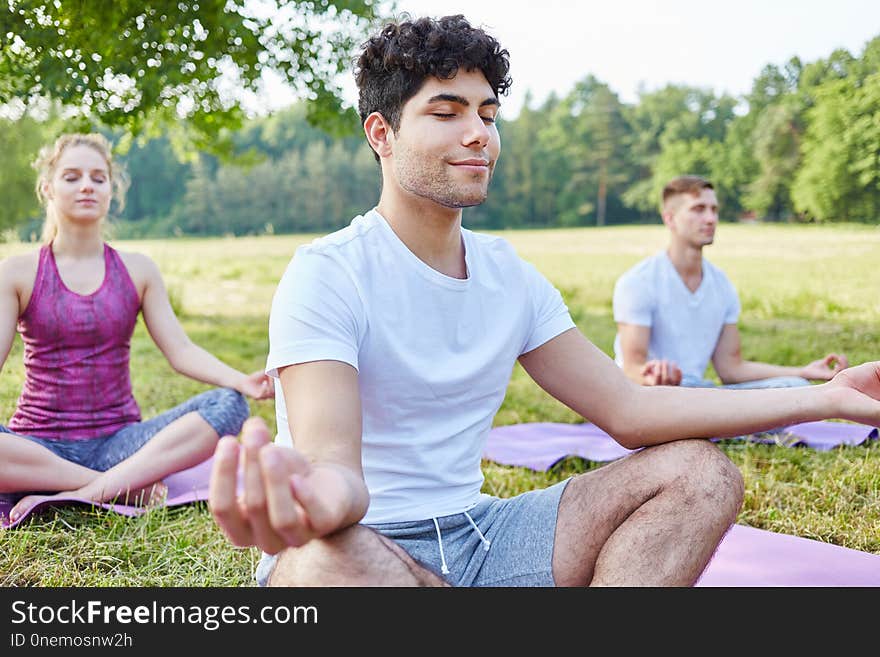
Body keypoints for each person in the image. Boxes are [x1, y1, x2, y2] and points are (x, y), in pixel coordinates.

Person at [208, 15, 880, 587]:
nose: (479, 134)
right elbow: (334, 468)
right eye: (446, 112)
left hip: (484, 537)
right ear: (381, 134)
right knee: (318, 565)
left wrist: (822, 397)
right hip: (364, 541)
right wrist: (315, 503)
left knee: (700, 473)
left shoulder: (510, 274)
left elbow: (630, 408)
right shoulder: (328, 273)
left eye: (488, 114)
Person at [0, 133, 273, 525]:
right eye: (72, 176)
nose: (87, 186)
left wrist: (242, 381)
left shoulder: (138, 269)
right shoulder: (17, 272)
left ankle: (87, 492)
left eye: (98, 177)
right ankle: (115, 486)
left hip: (121, 444)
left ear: (112, 190)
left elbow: (180, 351)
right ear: (48, 188)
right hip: (36, 447)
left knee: (228, 405)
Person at [613, 175, 848, 388]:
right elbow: (632, 370)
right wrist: (653, 378)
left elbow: (731, 369)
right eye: (699, 209)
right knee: (704, 395)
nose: (710, 218)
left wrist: (803, 371)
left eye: (714, 210)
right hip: (651, 398)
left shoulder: (721, 285)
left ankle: (716, 419)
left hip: (697, 393)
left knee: (793, 386)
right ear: (670, 219)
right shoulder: (639, 282)